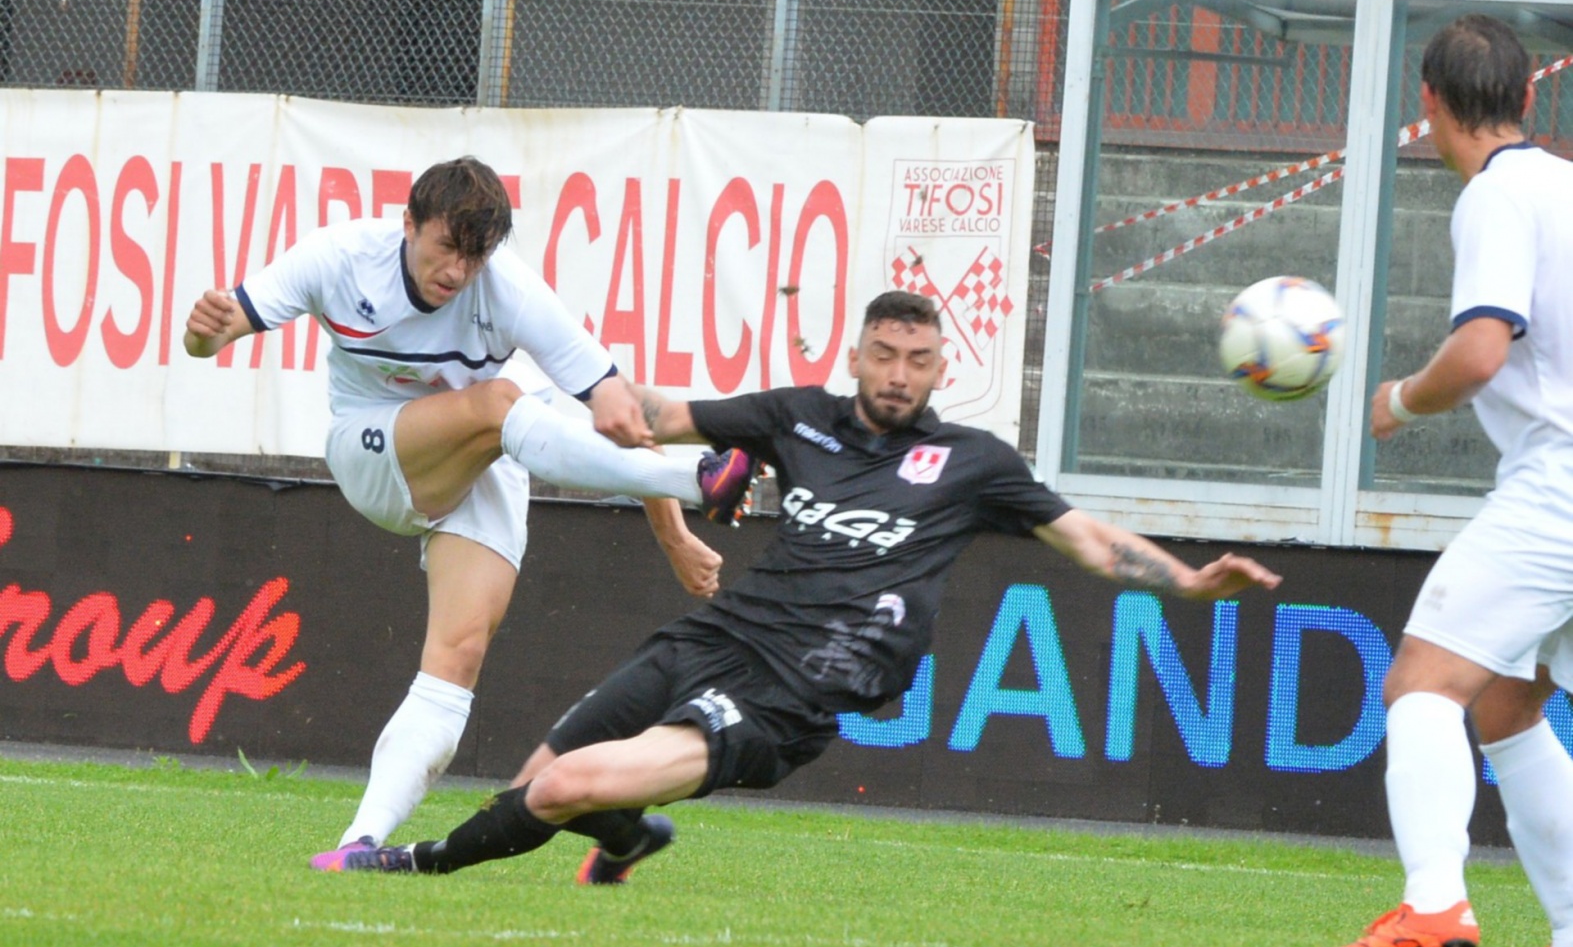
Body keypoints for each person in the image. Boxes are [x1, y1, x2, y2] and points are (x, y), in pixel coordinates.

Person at [322, 289, 1281, 885]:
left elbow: (1092, 543)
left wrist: (1190, 582)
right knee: (543, 779)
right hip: (714, 636)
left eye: (918, 361)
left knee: (563, 784)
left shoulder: (970, 463)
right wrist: (568, 395)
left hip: (792, 691)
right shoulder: (798, 419)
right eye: (883, 356)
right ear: (856, 355)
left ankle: (407, 863)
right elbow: (655, 413)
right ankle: (626, 841)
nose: (898, 376)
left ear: (942, 367)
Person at [182, 156, 756, 868]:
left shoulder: (507, 287)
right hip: (374, 453)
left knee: (458, 655)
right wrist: (203, 333)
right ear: (408, 225)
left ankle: (355, 844)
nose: (457, 270)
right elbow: (213, 333)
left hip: (479, 460)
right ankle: (701, 482)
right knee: (501, 405)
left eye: (475, 254)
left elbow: (613, 411)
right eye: (446, 246)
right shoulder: (339, 257)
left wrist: (670, 536)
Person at [1315, 16, 1573, 947]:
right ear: (1528, 96)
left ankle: (1431, 903)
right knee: (1508, 703)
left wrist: (1395, 402)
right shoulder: (1565, 183)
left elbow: (1477, 353)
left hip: (1557, 486)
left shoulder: (1498, 199)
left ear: (1425, 105)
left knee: (1419, 685)